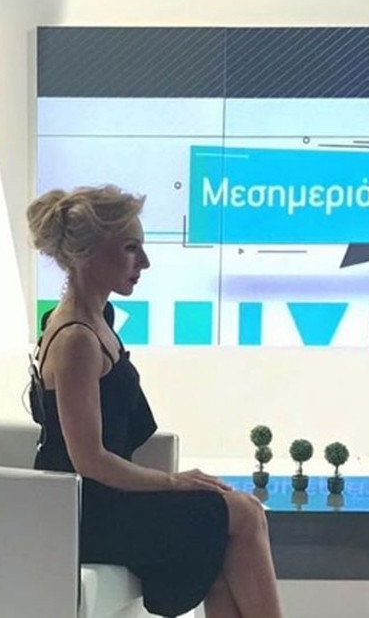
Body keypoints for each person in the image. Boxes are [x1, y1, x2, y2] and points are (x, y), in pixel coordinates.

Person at [26, 185, 283, 618]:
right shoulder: (75, 340)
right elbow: (89, 460)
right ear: (87, 254)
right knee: (244, 513)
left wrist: (174, 483)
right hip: (86, 513)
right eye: (131, 248)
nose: (144, 262)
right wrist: (174, 482)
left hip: (108, 499)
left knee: (223, 549)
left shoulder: (98, 320)